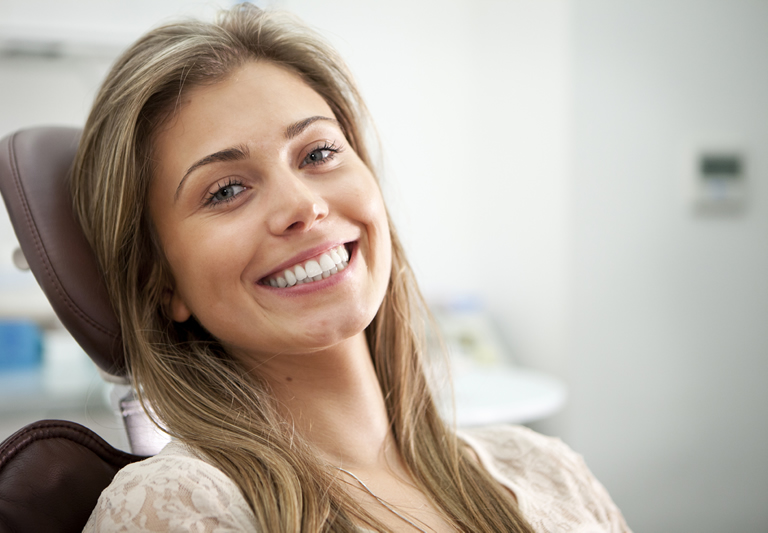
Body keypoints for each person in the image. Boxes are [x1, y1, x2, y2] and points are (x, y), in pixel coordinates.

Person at [75, 4, 630, 532]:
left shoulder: (547, 470)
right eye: (227, 190)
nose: (303, 206)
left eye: (318, 154)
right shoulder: (174, 509)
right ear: (162, 281)